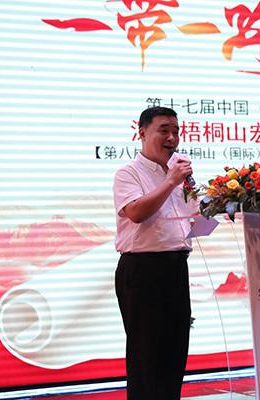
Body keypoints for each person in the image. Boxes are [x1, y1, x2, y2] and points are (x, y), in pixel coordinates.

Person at [113, 106, 196, 400]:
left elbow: (191, 215)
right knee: (146, 355)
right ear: (142, 132)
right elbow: (136, 212)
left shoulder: (178, 173)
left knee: (175, 351)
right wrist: (171, 181)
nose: (172, 137)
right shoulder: (128, 173)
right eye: (164, 130)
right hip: (143, 271)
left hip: (176, 268)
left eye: (176, 131)